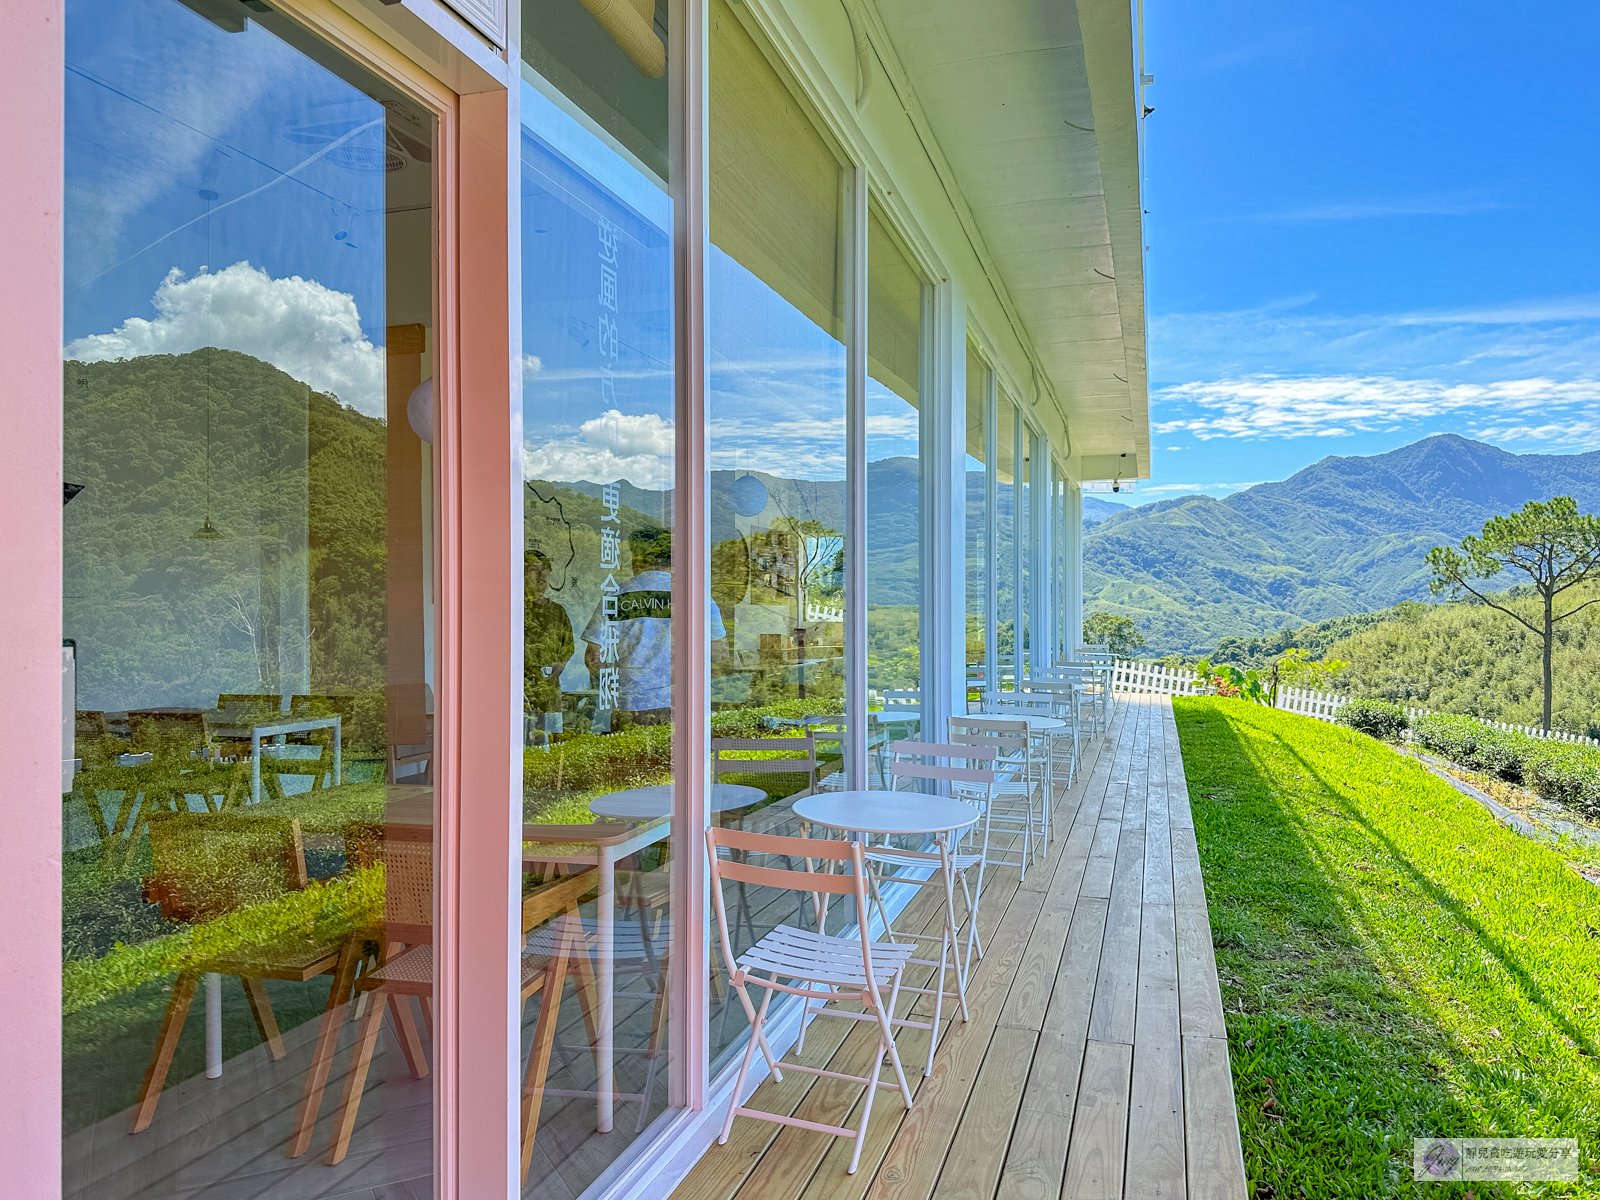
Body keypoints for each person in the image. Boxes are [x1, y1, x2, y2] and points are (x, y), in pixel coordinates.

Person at [583, 527, 725, 729]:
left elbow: (593, 658)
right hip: (684, 702)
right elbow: (719, 655)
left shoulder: (616, 596)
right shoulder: (697, 597)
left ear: (639, 558)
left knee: (633, 760)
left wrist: (619, 684)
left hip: (630, 705)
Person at [524, 549, 574, 738]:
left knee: (551, 739)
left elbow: (568, 646)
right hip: (523, 690)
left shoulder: (558, 612)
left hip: (550, 689)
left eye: (545, 571)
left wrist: (559, 667)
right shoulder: (517, 609)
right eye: (534, 570)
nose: (541, 576)